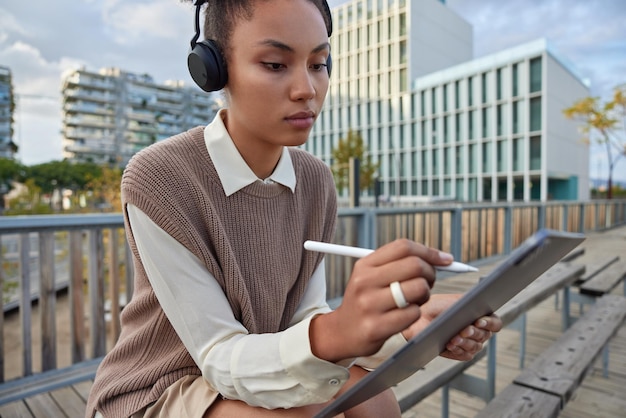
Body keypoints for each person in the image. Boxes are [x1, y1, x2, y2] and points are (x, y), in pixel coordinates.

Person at [86, 0, 502, 417]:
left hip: (261, 364)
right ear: (213, 70)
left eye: (319, 64)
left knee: (373, 400)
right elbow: (218, 355)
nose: (307, 89)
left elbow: (308, 317)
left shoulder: (316, 180)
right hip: (166, 383)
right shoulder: (160, 177)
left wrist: (405, 327)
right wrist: (340, 331)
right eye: (274, 64)